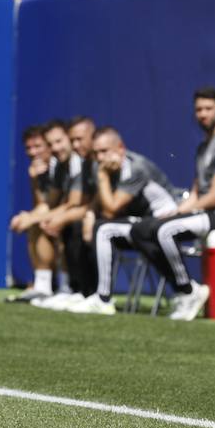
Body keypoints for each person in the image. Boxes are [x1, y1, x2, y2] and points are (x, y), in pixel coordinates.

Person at [130, 86, 215, 321]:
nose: (203, 114)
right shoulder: (204, 146)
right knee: (142, 230)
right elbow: (197, 191)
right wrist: (177, 211)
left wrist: (182, 214)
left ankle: (189, 291)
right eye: (199, 109)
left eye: (208, 108)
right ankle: (182, 290)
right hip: (205, 213)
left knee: (164, 231)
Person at [67, 126, 182, 316]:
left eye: (104, 151)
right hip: (138, 223)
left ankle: (103, 299)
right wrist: (90, 214)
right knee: (83, 226)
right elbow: (100, 201)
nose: (100, 157)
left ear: (120, 148)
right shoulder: (102, 166)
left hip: (160, 222)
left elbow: (110, 210)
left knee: (103, 229)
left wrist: (102, 176)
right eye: (96, 153)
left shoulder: (136, 167)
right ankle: (81, 292)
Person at [31, 119, 89, 308]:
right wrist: (31, 217)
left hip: (93, 216)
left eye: (59, 141)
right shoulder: (59, 165)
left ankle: (69, 288)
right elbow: (50, 202)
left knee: (61, 223)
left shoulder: (80, 162)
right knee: (39, 223)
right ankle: (44, 287)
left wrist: (43, 217)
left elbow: (75, 202)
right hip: (82, 211)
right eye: (50, 144)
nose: (55, 148)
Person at [6, 124, 56, 301]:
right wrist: (35, 180)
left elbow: (56, 205)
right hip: (54, 213)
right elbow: (41, 203)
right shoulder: (37, 170)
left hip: (69, 216)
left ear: (48, 146)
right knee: (33, 223)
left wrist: (30, 218)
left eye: (37, 146)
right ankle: (41, 285)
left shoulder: (59, 166)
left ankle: (51, 287)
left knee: (37, 222)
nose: (33, 152)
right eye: (29, 148)